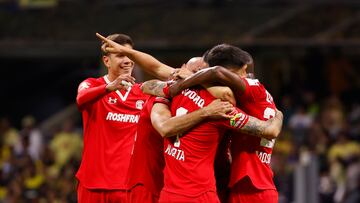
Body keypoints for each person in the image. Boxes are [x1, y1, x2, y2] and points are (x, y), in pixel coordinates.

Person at [168, 44, 281, 203]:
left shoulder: (251, 87)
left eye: (231, 76)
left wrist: (184, 81)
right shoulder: (259, 97)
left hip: (249, 184)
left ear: (244, 69)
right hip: (257, 182)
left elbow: (217, 73)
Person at [76, 33, 158, 202]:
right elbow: (81, 99)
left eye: (130, 55)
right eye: (121, 55)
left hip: (129, 186)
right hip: (92, 183)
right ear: (107, 61)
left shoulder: (144, 93)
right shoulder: (92, 85)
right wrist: (109, 87)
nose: (128, 61)